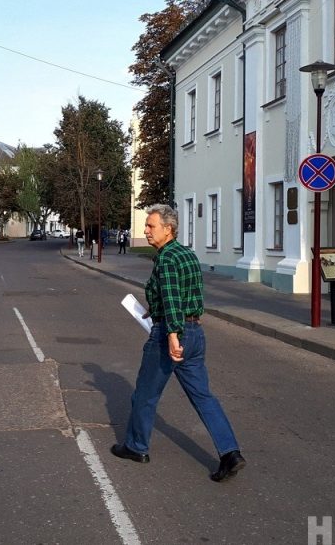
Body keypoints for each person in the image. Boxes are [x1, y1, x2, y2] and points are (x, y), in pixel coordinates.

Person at [111, 203, 245, 483]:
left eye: (151, 226)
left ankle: (136, 447)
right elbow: (186, 294)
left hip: (171, 335)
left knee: (145, 394)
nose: (146, 231)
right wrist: (154, 308)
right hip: (195, 332)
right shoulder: (187, 254)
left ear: (168, 229)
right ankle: (230, 452)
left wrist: (172, 335)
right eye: (146, 226)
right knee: (203, 396)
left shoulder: (166, 259)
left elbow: (173, 300)